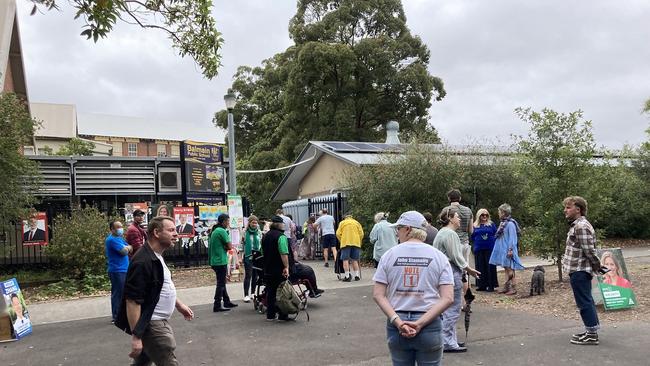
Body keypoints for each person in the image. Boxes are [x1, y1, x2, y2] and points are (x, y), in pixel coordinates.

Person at [373, 210, 454, 366]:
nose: (397, 233)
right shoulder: (439, 257)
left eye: (399, 228)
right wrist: (420, 323)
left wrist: (398, 322)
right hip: (429, 322)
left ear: (408, 229)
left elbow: (378, 295)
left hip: (398, 322)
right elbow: (448, 298)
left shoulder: (389, 255)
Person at [115, 216, 194, 365]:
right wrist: (137, 336)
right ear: (157, 233)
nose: (176, 234)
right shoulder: (142, 261)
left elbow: (159, 287)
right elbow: (132, 301)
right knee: (167, 359)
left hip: (155, 321)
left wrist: (179, 305)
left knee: (143, 362)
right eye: (171, 230)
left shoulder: (155, 255)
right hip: (152, 324)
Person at [433, 206, 481, 353]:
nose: (460, 219)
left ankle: (450, 340)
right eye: (457, 217)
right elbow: (456, 256)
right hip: (450, 272)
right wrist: (469, 269)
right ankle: (448, 342)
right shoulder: (450, 234)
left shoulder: (441, 233)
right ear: (450, 218)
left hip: (442, 272)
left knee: (446, 309)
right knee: (452, 309)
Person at [562, 196, 602, 346]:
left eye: (568, 207)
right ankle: (590, 330)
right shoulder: (576, 225)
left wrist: (598, 267)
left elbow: (589, 251)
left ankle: (592, 335)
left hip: (580, 270)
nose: (565, 210)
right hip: (577, 270)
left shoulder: (581, 226)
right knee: (587, 301)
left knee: (584, 302)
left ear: (578, 209)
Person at [489, 203, 525, 295]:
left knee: (510, 269)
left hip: (508, 249)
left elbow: (513, 238)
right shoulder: (503, 223)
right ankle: (506, 287)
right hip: (502, 249)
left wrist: (510, 250)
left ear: (504, 212)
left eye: (499, 212)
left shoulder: (510, 224)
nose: (498, 213)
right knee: (506, 268)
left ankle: (514, 287)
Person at [261, 215, 292, 321]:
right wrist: (286, 267)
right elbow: (283, 253)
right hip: (279, 269)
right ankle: (283, 315)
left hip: (268, 268)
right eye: (283, 223)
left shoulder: (265, 236)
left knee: (271, 291)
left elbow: (262, 252)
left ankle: (270, 314)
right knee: (282, 292)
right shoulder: (281, 237)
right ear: (279, 225)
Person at [447, 189, 474, 309]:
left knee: (451, 271)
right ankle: (467, 301)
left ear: (449, 198)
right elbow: (471, 230)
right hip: (465, 243)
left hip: (453, 242)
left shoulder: (446, 210)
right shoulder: (468, 210)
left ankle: (451, 300)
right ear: (460, 198)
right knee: (464, 272)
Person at [209, 214, 238, 312]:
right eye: (228, 221)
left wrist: (224, 246)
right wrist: (226, 247)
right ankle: (217, 304)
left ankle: (226, 301)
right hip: (220, 261)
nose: (228, 223)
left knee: (222, 282)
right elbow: (230, 246)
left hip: (215, 260)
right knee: (220, 283)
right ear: (223, 222)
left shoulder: (215, 231)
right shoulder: (222, 231)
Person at [105, 220, 132, 322]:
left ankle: (120, 315)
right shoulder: (112, 240)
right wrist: (127, 248)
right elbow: (124, 251)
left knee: (122, 293)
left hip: (123, 269)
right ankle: (116, 317)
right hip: (117, 270)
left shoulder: (119, 238)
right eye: (118, 227)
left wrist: (128, 247)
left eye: (121, 226)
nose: (121, 228)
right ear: (112, 229)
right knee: (118, 294)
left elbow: (131, 247)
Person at [471, 209, 498, 292]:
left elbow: (495, 234)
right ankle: (481, 285)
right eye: (482, 215)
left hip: (490, 248)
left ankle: (491, 285)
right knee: (480, 266)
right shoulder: (474, 225)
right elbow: (472, 236)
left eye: (486, 215)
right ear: (479, 216)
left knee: (490, 266)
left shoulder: (491, 224)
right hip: (479, 248)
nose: (484, 216)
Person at [336, 214, 364, 282]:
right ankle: (357, 276)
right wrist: (359, 241)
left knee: (345, 260)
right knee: (355, 259)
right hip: (356, 243)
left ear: (345, 218)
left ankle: (347, 276)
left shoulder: (342, 223)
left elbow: (338, 234)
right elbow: (361, 234)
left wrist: (341, 240)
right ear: (351, 217)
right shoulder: (356, 222)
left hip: (346, 243)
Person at [242, 215, 262, 303]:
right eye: (253, 222)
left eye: (256, 222)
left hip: (257, 255)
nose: (254, 224)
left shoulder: (259, 232)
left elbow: (261, 243)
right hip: (248, 255)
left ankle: (253, 293)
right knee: (248, 275)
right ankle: (246, 295)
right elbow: (241, 244)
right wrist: (240, 256)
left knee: (255, 275)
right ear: (249, 223)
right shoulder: (244, 232)